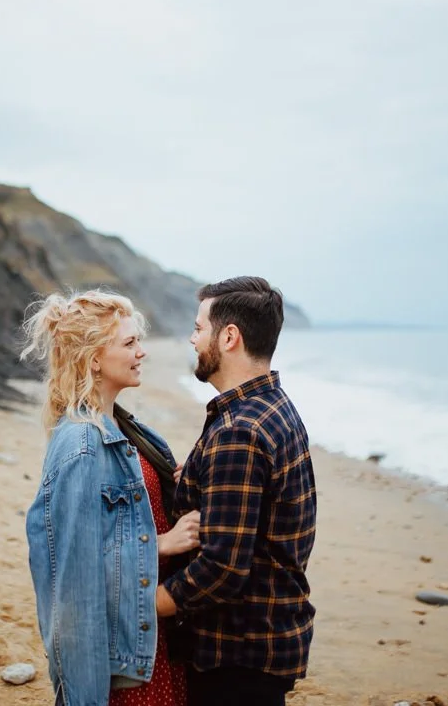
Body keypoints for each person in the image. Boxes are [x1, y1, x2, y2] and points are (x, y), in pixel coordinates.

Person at [22, 289, 201, 706]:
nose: (142, 353)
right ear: (95, 359)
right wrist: (162, 543)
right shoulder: (82, 444)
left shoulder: (124, 431)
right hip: (124, 660)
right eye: (129, 343)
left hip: (149, 642)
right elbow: (74, 581)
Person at [155, 276, 317, 706]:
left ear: (229, 337)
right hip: (267, 640)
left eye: (198, 328)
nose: (192, 340)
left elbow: (222, 569)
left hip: (237, 654)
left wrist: (144, 606)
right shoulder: (272, 406)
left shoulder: (239, 431)